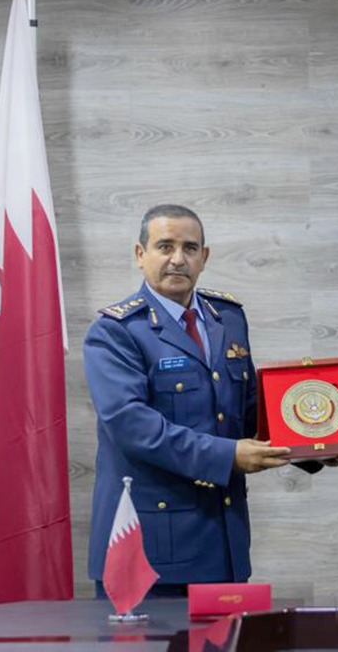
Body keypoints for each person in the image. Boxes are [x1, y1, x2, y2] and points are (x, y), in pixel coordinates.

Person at [84, 204, 289, 597]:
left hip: (223, 543)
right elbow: (133, 427)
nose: (178, 259)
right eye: (165, 246)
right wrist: (228, 456)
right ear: (140, 254)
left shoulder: (227, 318)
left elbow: (247, 412)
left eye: (190, 248)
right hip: (149, 552)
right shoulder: (115, 331)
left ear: (204, 257)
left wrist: (311, 439)